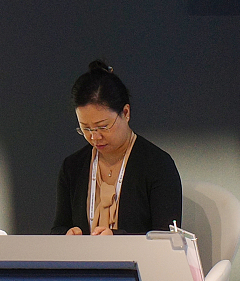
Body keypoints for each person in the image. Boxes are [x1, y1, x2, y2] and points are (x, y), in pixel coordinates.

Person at [49, 61, 183, 235]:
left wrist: (117, 239)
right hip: (85, 261)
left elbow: (165, 238)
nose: (95, 137)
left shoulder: (157, 165)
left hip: (139, 262)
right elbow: (58, 227)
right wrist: (67, 234)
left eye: (103, 127)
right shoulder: (72, 167)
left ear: (126, 113)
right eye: (86, 129)